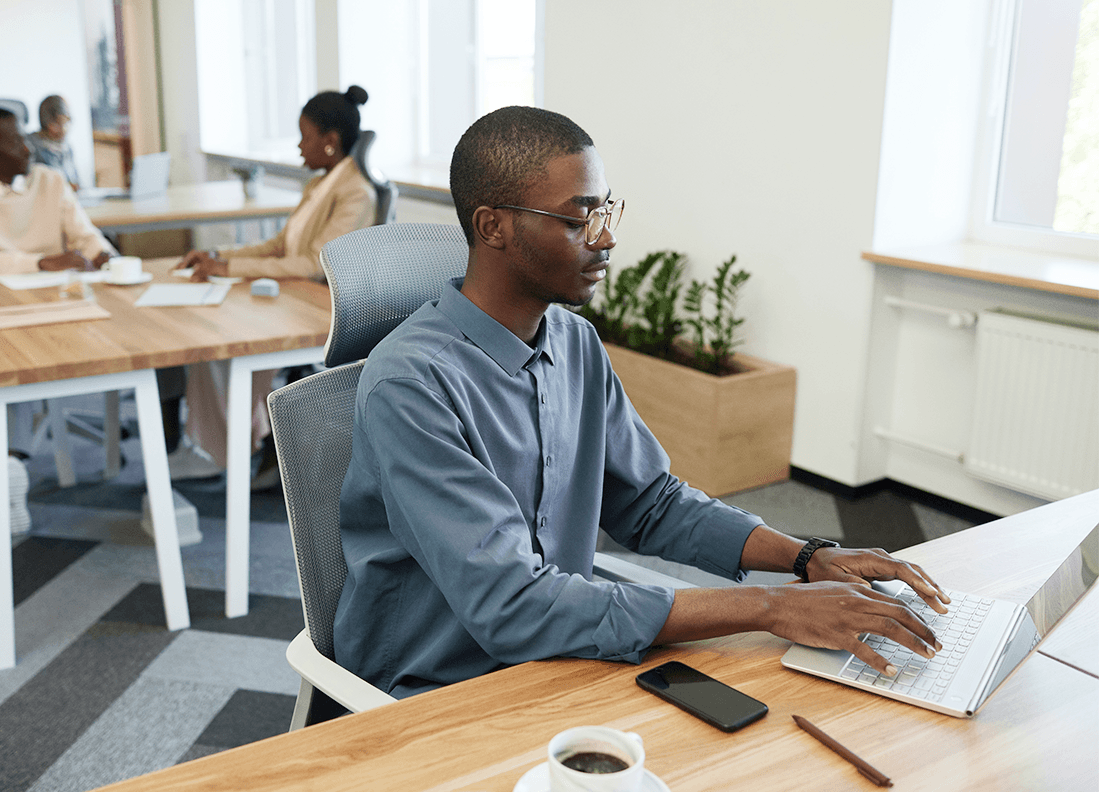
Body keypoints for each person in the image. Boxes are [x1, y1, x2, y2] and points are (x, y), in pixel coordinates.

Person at [333, 106, 951, 700]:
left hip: (561, 652)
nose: (605, 239)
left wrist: (805, 556)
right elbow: (513, 606)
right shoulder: (412, 385)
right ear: (493, 226)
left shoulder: (573, 343)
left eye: (606, 211)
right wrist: (773, 606)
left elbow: (650, 503)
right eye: (578, 221)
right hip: (442, 688)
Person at [169, 86, 377, 485]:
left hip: (320, 305)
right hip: (294, 293)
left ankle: (224, 448)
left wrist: (230, 267)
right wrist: (221, 257)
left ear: (330, 142)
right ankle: (220, 444)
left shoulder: (356, 192)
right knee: (207, 330)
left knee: (225, 339)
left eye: (305, 136)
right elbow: (280, 245)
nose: (299, 147)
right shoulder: (320, 185)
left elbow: (317, 263)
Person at [1, 107, 115, 274]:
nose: (28, 150)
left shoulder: (50, 180)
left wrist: (102, 254)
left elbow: (84, 235)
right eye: (16, 143)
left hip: (57, 286)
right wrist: (41, 263)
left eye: (25, 140)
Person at [28, 95, 80, 191]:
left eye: (66, 122)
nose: (63, 129)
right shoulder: (30, 146)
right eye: (57, 124)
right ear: (45, 122)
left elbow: (75, 182)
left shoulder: (67, 148)